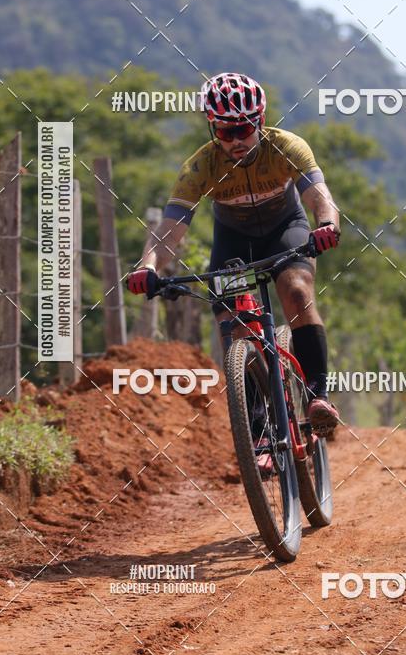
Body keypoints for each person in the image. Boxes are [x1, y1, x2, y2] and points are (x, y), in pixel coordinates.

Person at [126, 72, 340, 435]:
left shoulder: (286, 146)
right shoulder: (200, 167)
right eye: (226, 132)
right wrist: (147, 265)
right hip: (234, 241)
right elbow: (170, 230)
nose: (237, 140)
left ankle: (318, 395)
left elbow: (320, 196)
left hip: (285, 230)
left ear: (260, 121)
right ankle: (255, 425)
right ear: (213, 130)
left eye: (244, 129)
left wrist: (327, 224)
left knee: (297, 290)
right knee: (232, 321)